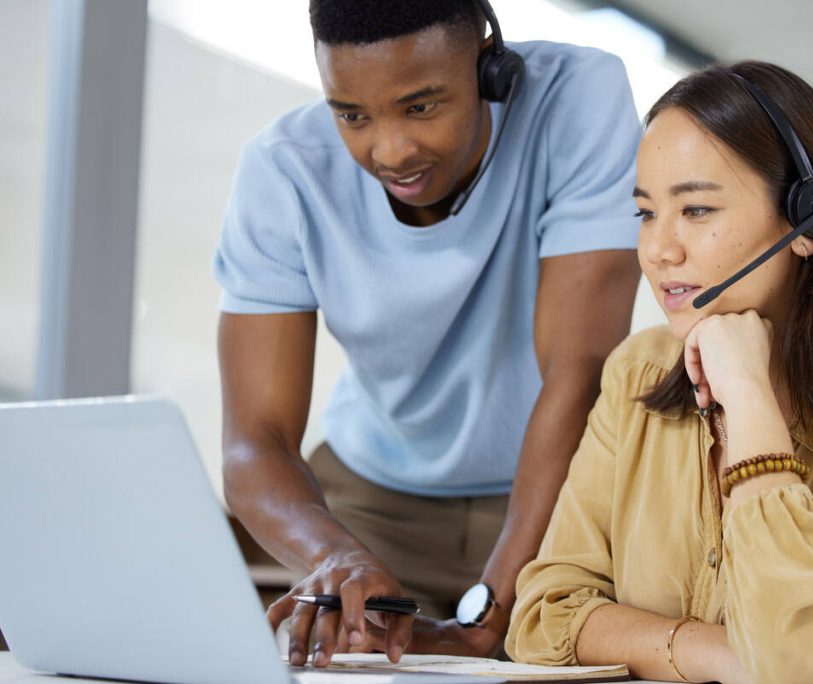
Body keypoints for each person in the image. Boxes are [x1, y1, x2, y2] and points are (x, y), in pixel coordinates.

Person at [505, 61, 813, 684]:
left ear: (809, 222)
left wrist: (751, 403)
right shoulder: (640, 372)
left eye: (698, 210)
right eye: (647, 214)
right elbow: (544, 617)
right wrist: (722, 653)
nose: (659, 250)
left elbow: (801, 655)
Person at [213, 0, 642, 668]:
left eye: (420, 106)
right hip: (372, 504)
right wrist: (338, 557)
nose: (389, 151)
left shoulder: (577, 99)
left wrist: (491, 612)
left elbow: (577, 376)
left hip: (562, 498)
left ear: (489, 67)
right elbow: (253, 443)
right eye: (352, 114)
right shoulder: (283, 169)